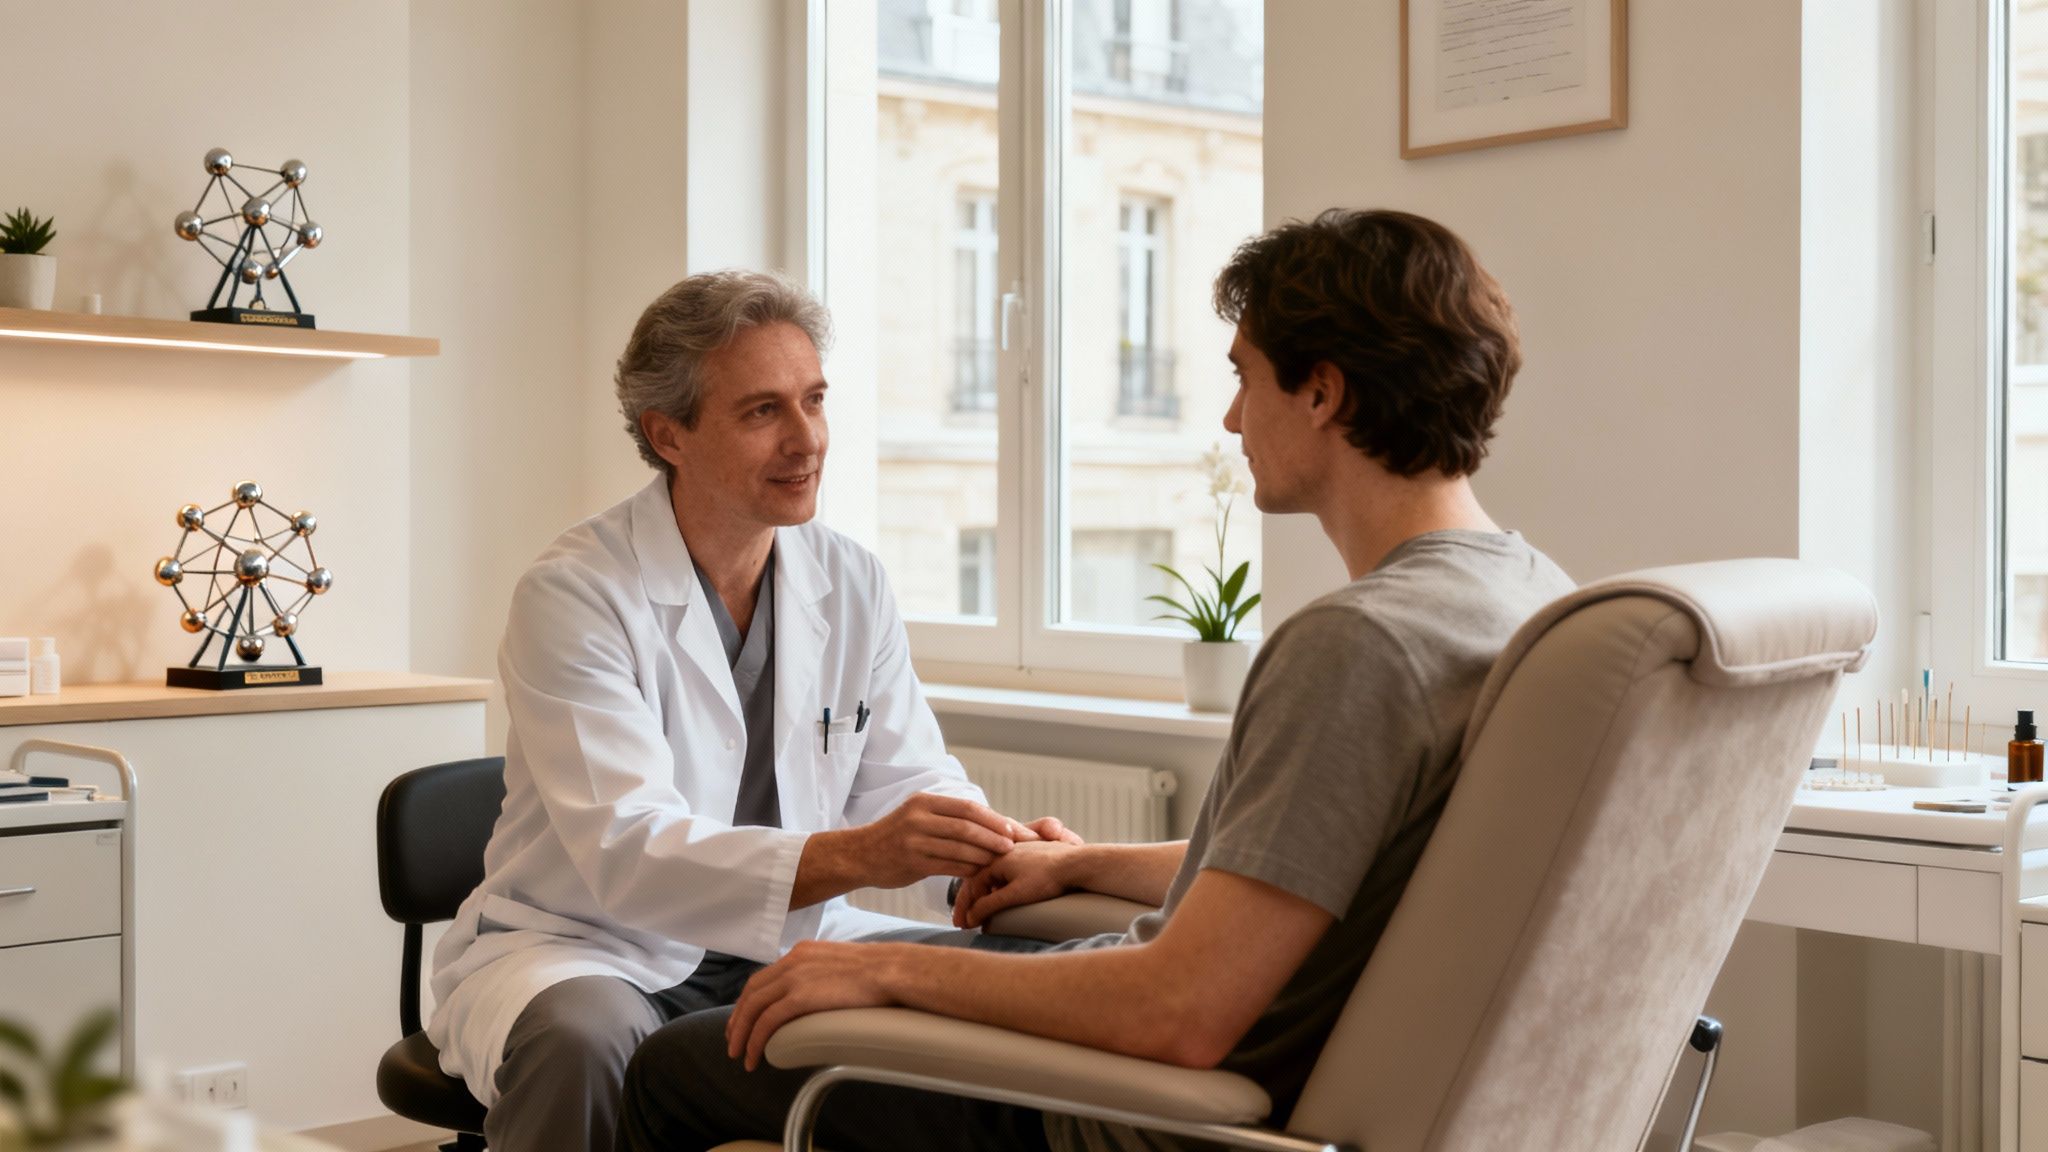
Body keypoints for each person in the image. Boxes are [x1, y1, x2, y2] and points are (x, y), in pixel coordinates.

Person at [616, 209, 1578, 1152]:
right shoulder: (1528, 596)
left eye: (1244, 376)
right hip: (1190, 1057)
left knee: (673, 1070)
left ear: (1320, 393)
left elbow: (1179, 1009)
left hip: (1121, 1107)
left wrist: (886, 975)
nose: (1232, 416)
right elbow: (1309, 862)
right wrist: (1085, 864)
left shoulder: (1358, 645)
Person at [426, 269, 1072, 1152]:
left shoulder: (850, 580)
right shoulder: (576, 594)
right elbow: (629, 851)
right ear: (669, 434)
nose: (807, 439)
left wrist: (992, 856)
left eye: (815, 400)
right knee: (584, 1045)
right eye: (763, 411)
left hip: (796, 941)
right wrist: (862, 854)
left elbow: (907, 777)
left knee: (1026, 981)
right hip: (596, 946)